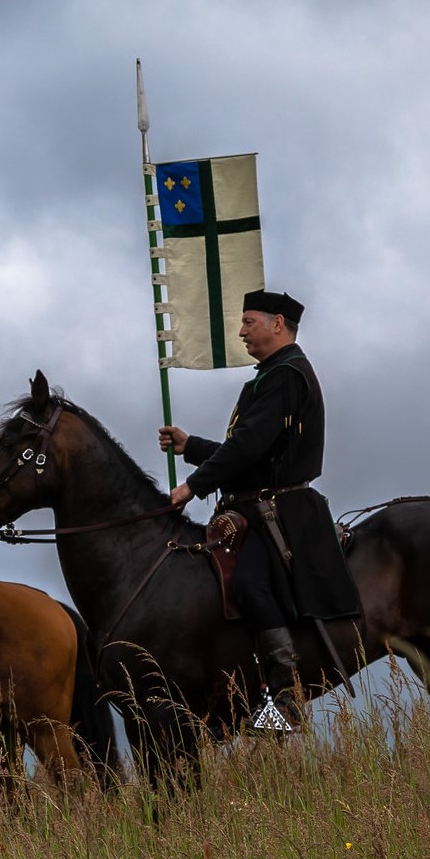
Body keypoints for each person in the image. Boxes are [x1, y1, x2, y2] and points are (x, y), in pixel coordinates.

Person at [158, 289, 359, 727]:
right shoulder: (270, 375)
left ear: (278, 324)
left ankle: (286, 691)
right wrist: (190, 446)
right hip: (256, 504)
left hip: (278, 510)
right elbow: (250, 451)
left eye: (249, 321)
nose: (242, 330)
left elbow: (247, 447)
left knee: (249, 584)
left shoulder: (286, 374)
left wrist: (192, 485)